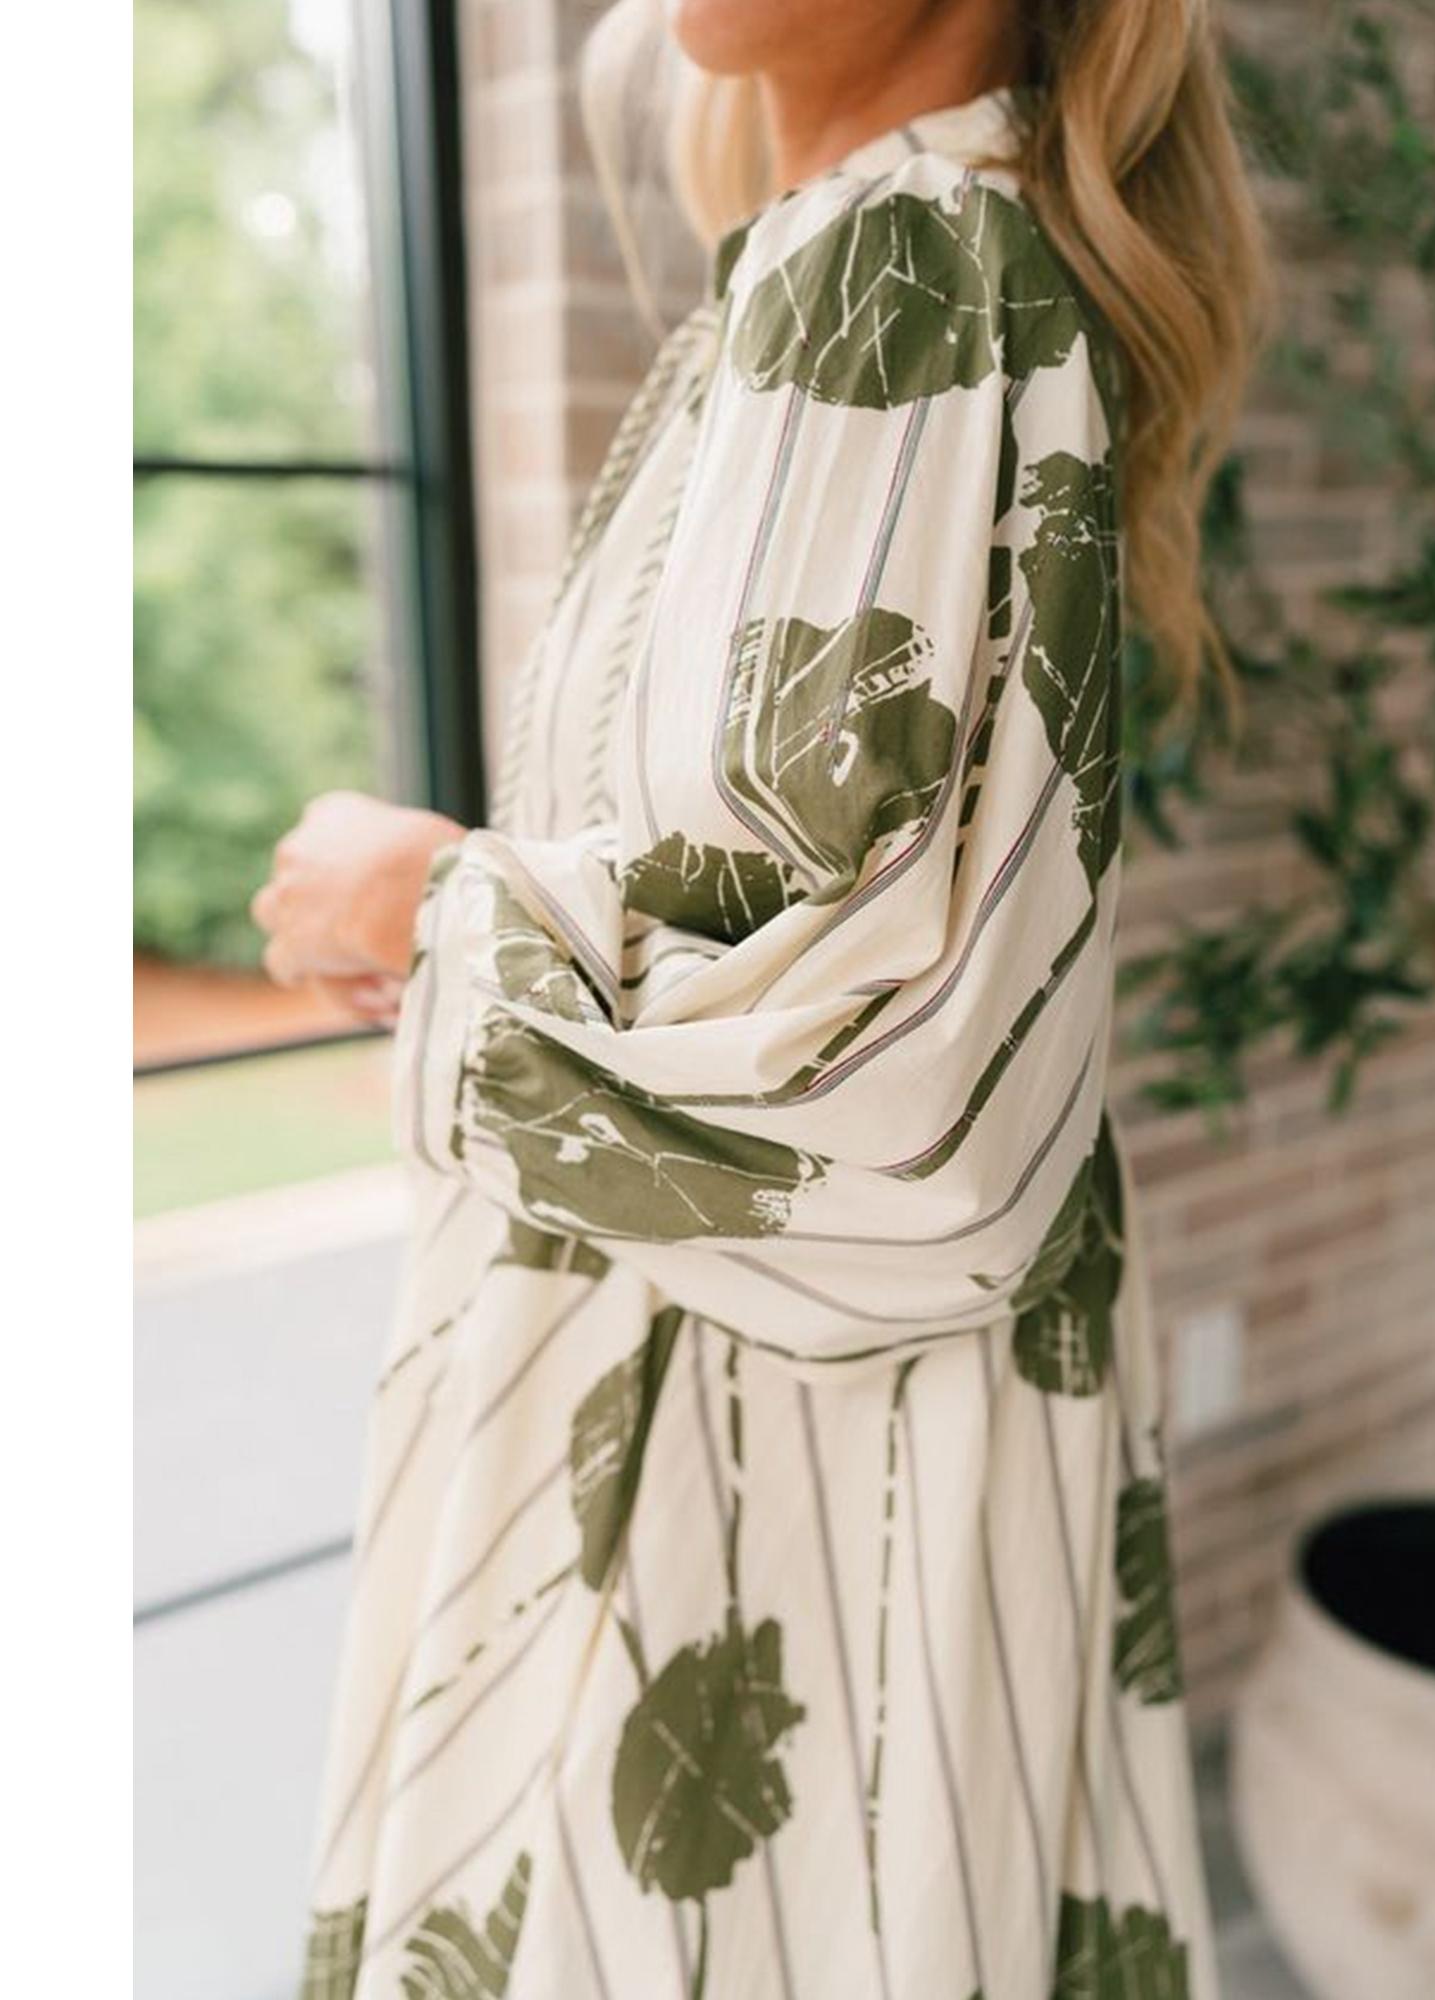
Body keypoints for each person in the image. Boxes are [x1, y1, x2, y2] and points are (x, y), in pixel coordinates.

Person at [254, 1, 1270, 1993]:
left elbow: (904, 1118)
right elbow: (786, 927)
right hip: (767, 1418)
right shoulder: (852, 262)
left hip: (760, 1458)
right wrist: (526, 930)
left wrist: (435, 901)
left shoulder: (901, 266)